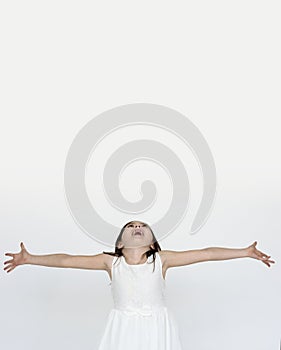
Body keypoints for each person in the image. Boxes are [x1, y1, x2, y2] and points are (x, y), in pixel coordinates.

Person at [3, 221, 275, 349]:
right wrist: (30, 259)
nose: (137, 226)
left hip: (157, 325)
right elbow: (66, 260)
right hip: (123, 326)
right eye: (131, 226)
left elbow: (207, 253)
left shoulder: (162, 260)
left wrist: (244, 252)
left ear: (153, 243)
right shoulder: (110, 263)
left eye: (143, 226)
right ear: (120, 243)